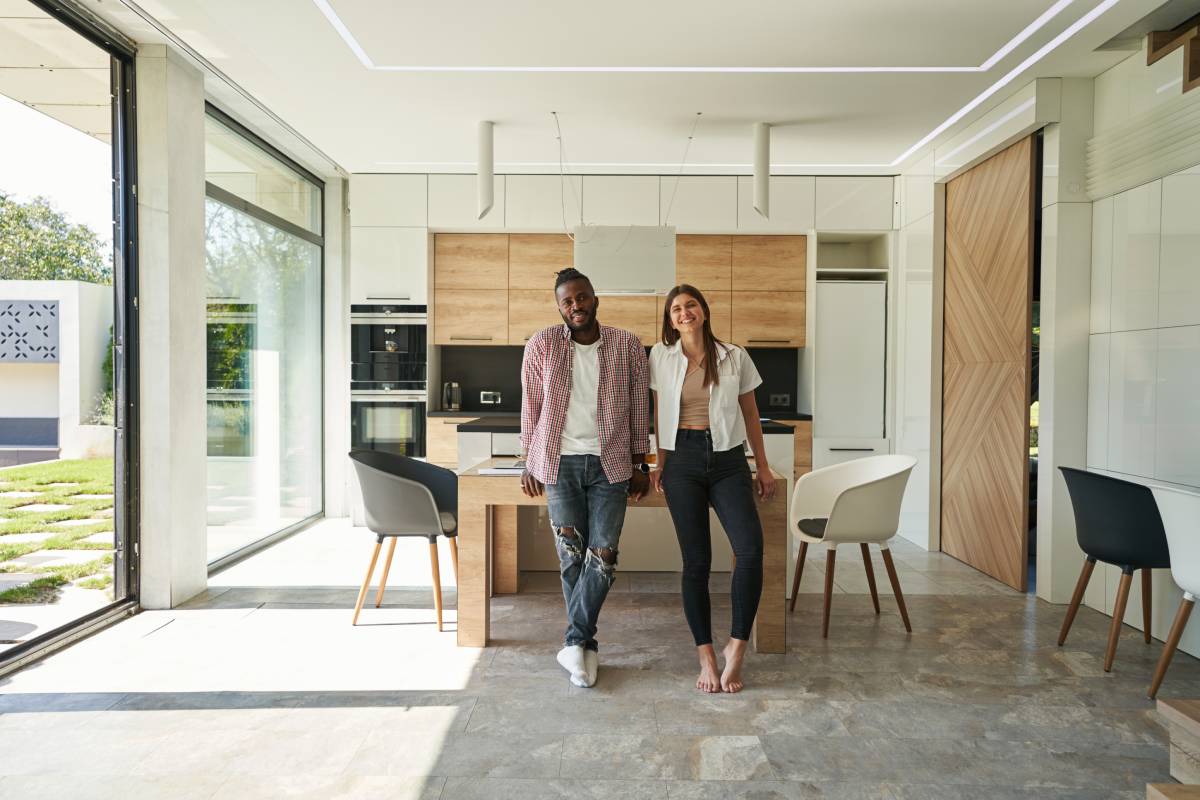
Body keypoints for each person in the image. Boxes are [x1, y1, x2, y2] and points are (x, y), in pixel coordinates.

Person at [520, 267, 651, 688]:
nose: (576, 306)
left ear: (595, 297)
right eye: (567, 301)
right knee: (570, 555)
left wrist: (639, 462)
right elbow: (532, 405)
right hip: (559, 463)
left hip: (609, 464)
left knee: (603, 555)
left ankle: (574, 641)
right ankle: (585, 647)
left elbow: (638, 407)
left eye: (582, 297)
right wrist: (529, 459)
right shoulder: (540, 345)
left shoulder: (627, 345)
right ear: (560, 306)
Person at [648, 284, 775, 693]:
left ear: (703, 311)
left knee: (750, 549)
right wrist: (659, 462)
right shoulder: (659, 357)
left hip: (727, 461)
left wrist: (763, 466)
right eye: (676, 310)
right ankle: (705, 653)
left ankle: (736, 647)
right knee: (696, 562)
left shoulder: (733, 356)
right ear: (670, 320)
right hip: (681, 460)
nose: (684, 313)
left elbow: (751, 413)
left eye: (690, 306)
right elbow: (656, 413)